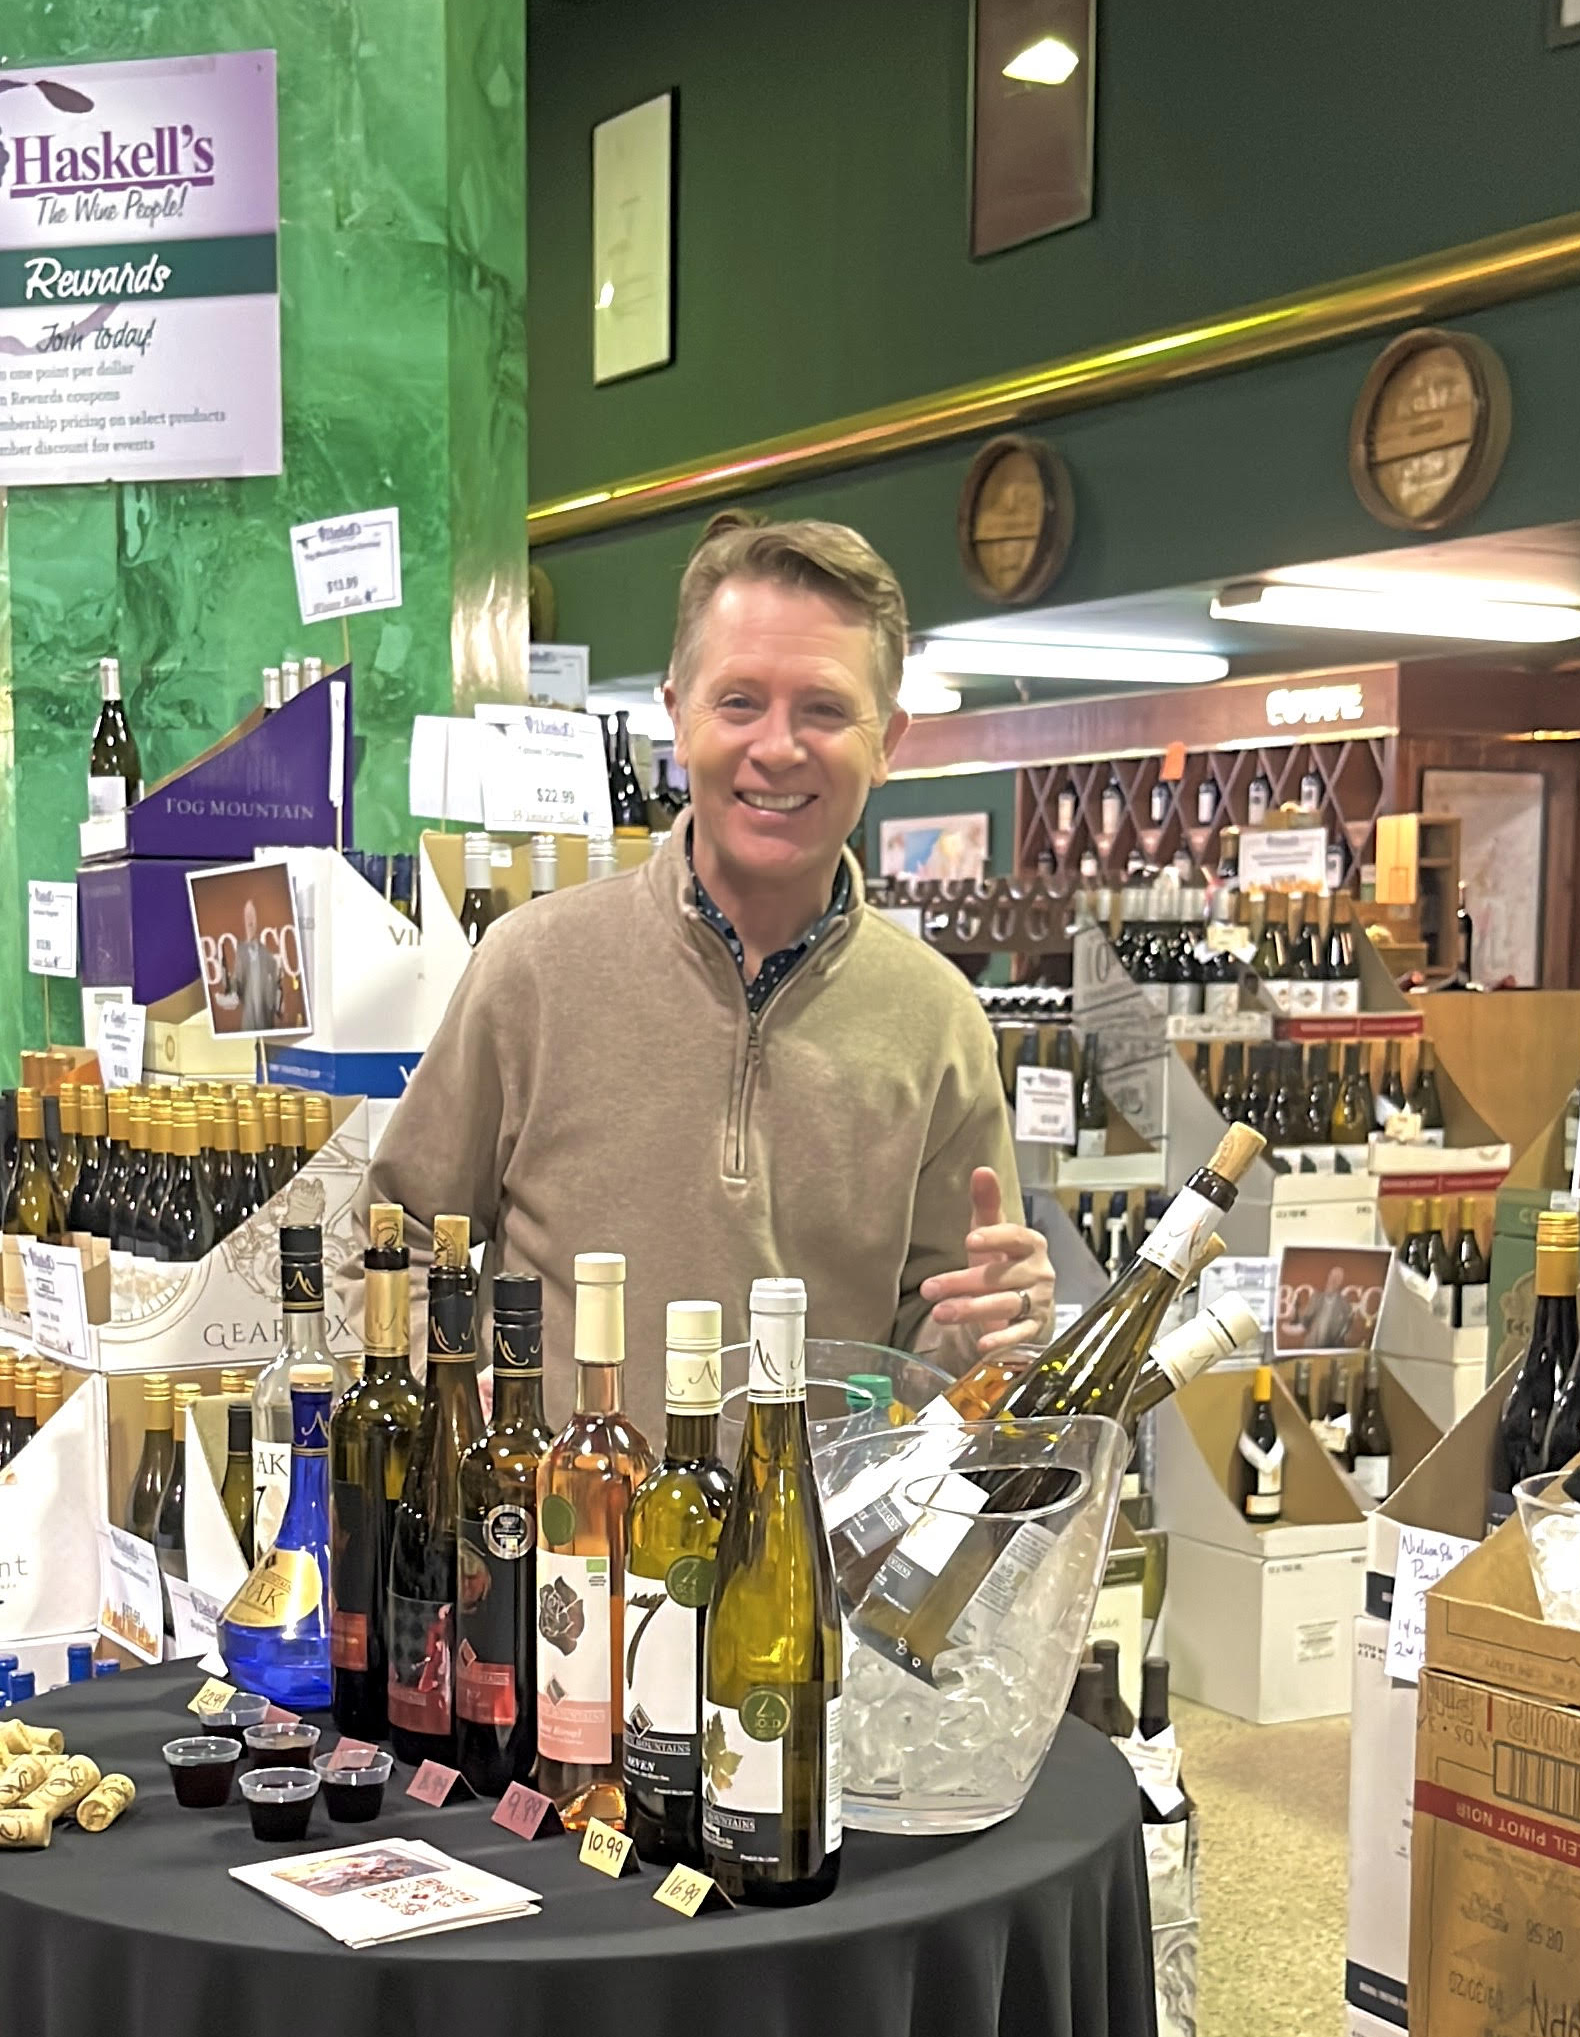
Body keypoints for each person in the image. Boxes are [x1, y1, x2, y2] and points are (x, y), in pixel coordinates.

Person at [373, 512, 1050, 1425]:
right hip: (563, 1516)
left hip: (809, 1519)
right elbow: (399, 1235)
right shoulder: (533, 968)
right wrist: (450, 1416)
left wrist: (992, 1331)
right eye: (738, 702)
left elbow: (933, 1352)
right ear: (678, 717)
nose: (777, 746)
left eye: (825, 709)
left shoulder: (937, 1020)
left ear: (887, 739)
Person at [232, 896, 285, 1035]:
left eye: (252, 915)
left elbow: (276, 995)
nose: (250, 920)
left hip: (266, 1024)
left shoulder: (269, 958)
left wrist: (279, 1004)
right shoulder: (240, 952)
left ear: (257, 920)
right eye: (247, 915)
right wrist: (229, 990)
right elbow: (235, 985)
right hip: (248, 1025)